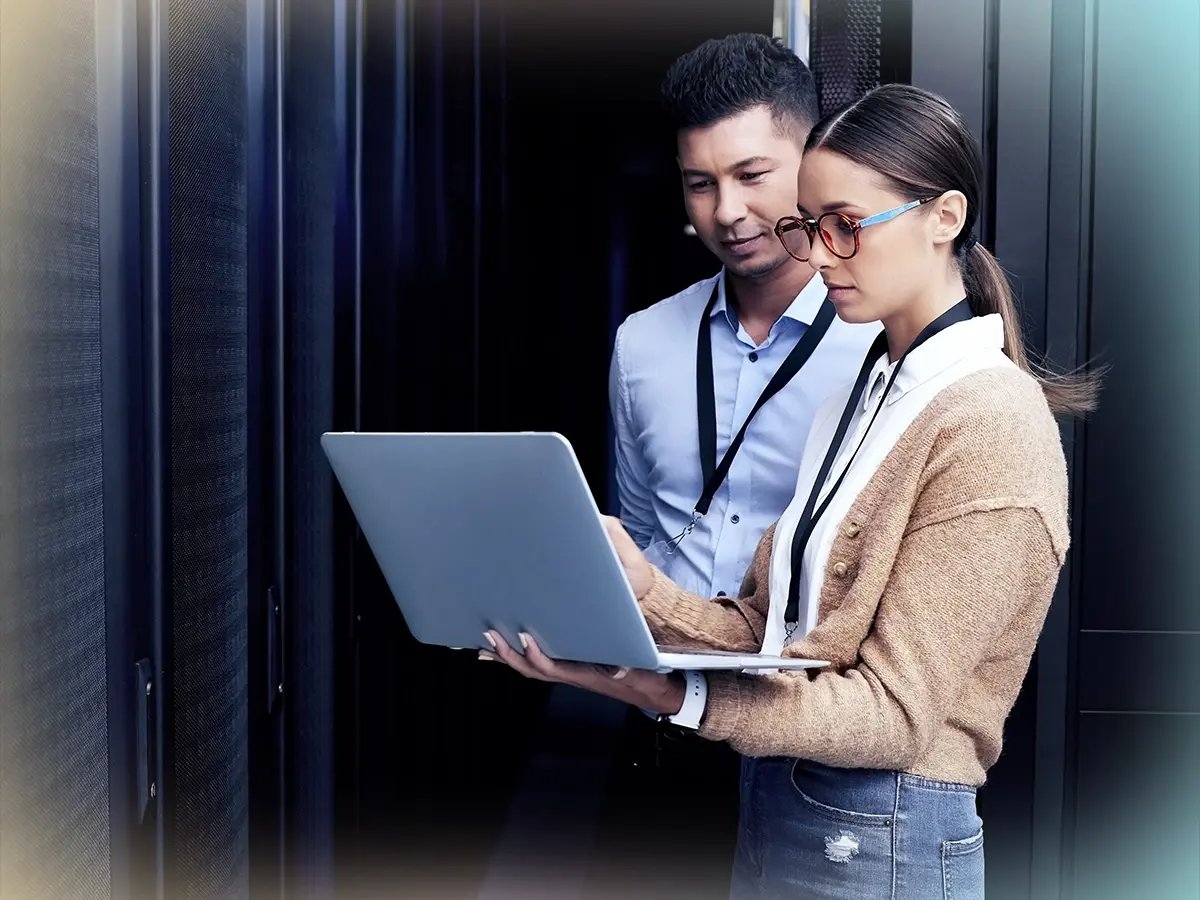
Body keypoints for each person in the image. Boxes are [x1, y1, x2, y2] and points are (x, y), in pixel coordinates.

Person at [482, 83, 1100, 899]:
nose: (818, 255)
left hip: (884, 831)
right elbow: (770, 631)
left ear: (943, 217)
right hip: (789, 801)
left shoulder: (990, 419)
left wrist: (671, 692)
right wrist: (642, 589)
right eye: (810, 227)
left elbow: (893, 714)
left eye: (846, 226)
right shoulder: (873, 388)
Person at [600, 33, 877, 897]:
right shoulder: (641, 342)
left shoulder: (879, 343)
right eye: (701, 182)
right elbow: (639, 530)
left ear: (812, 162)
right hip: (663, 717)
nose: (727, 211)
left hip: (813, 728)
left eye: (753, 175)